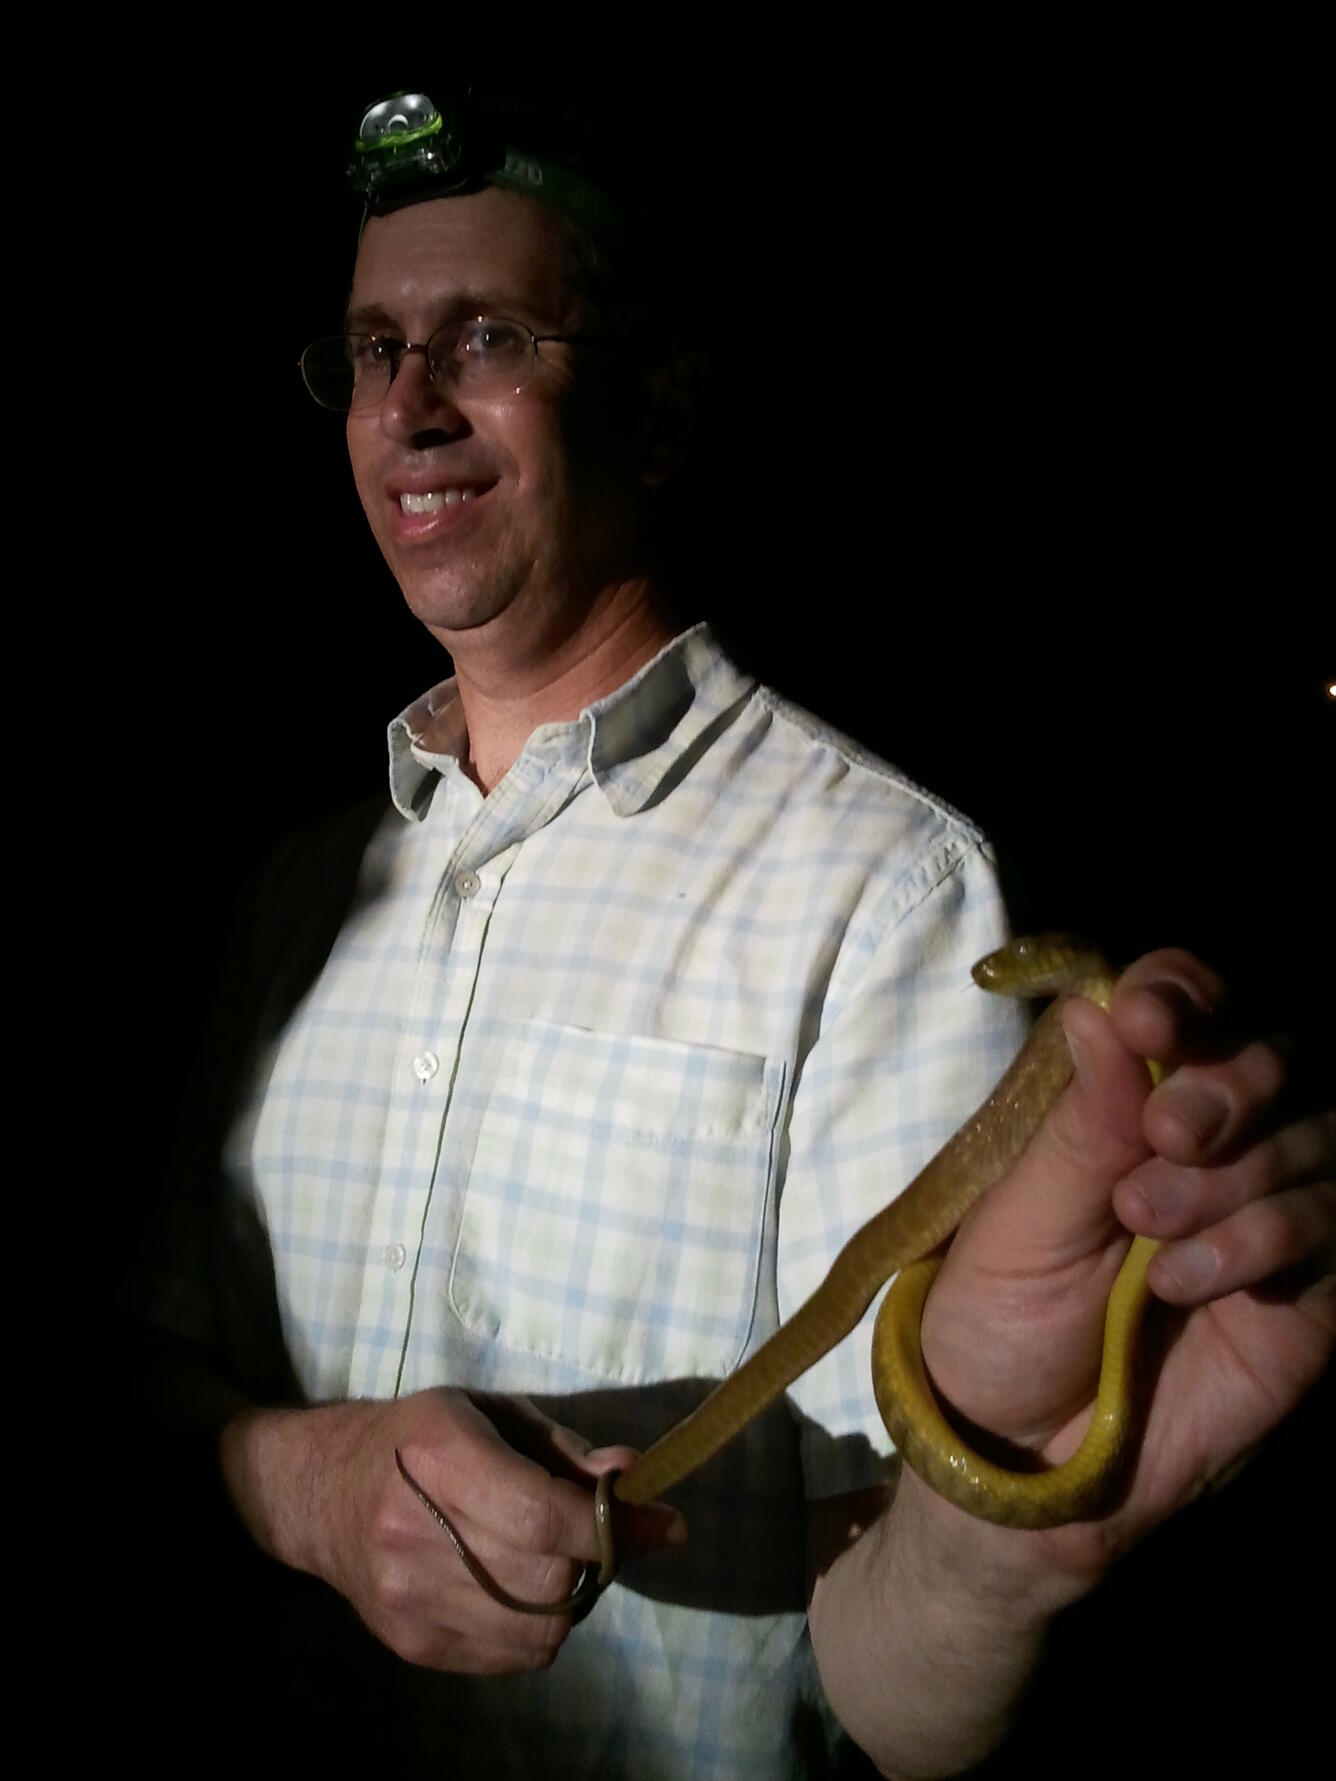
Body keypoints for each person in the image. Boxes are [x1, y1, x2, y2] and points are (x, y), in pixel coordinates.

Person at [133, 88, 1334, 1780]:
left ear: (660, 405)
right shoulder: (294, 899)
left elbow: (886, 1671)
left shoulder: (884, 890)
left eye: (485, 338)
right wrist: (299, 1481)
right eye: (370, 348)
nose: (409, 406)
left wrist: (1014, 1540)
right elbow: (165, 1385)